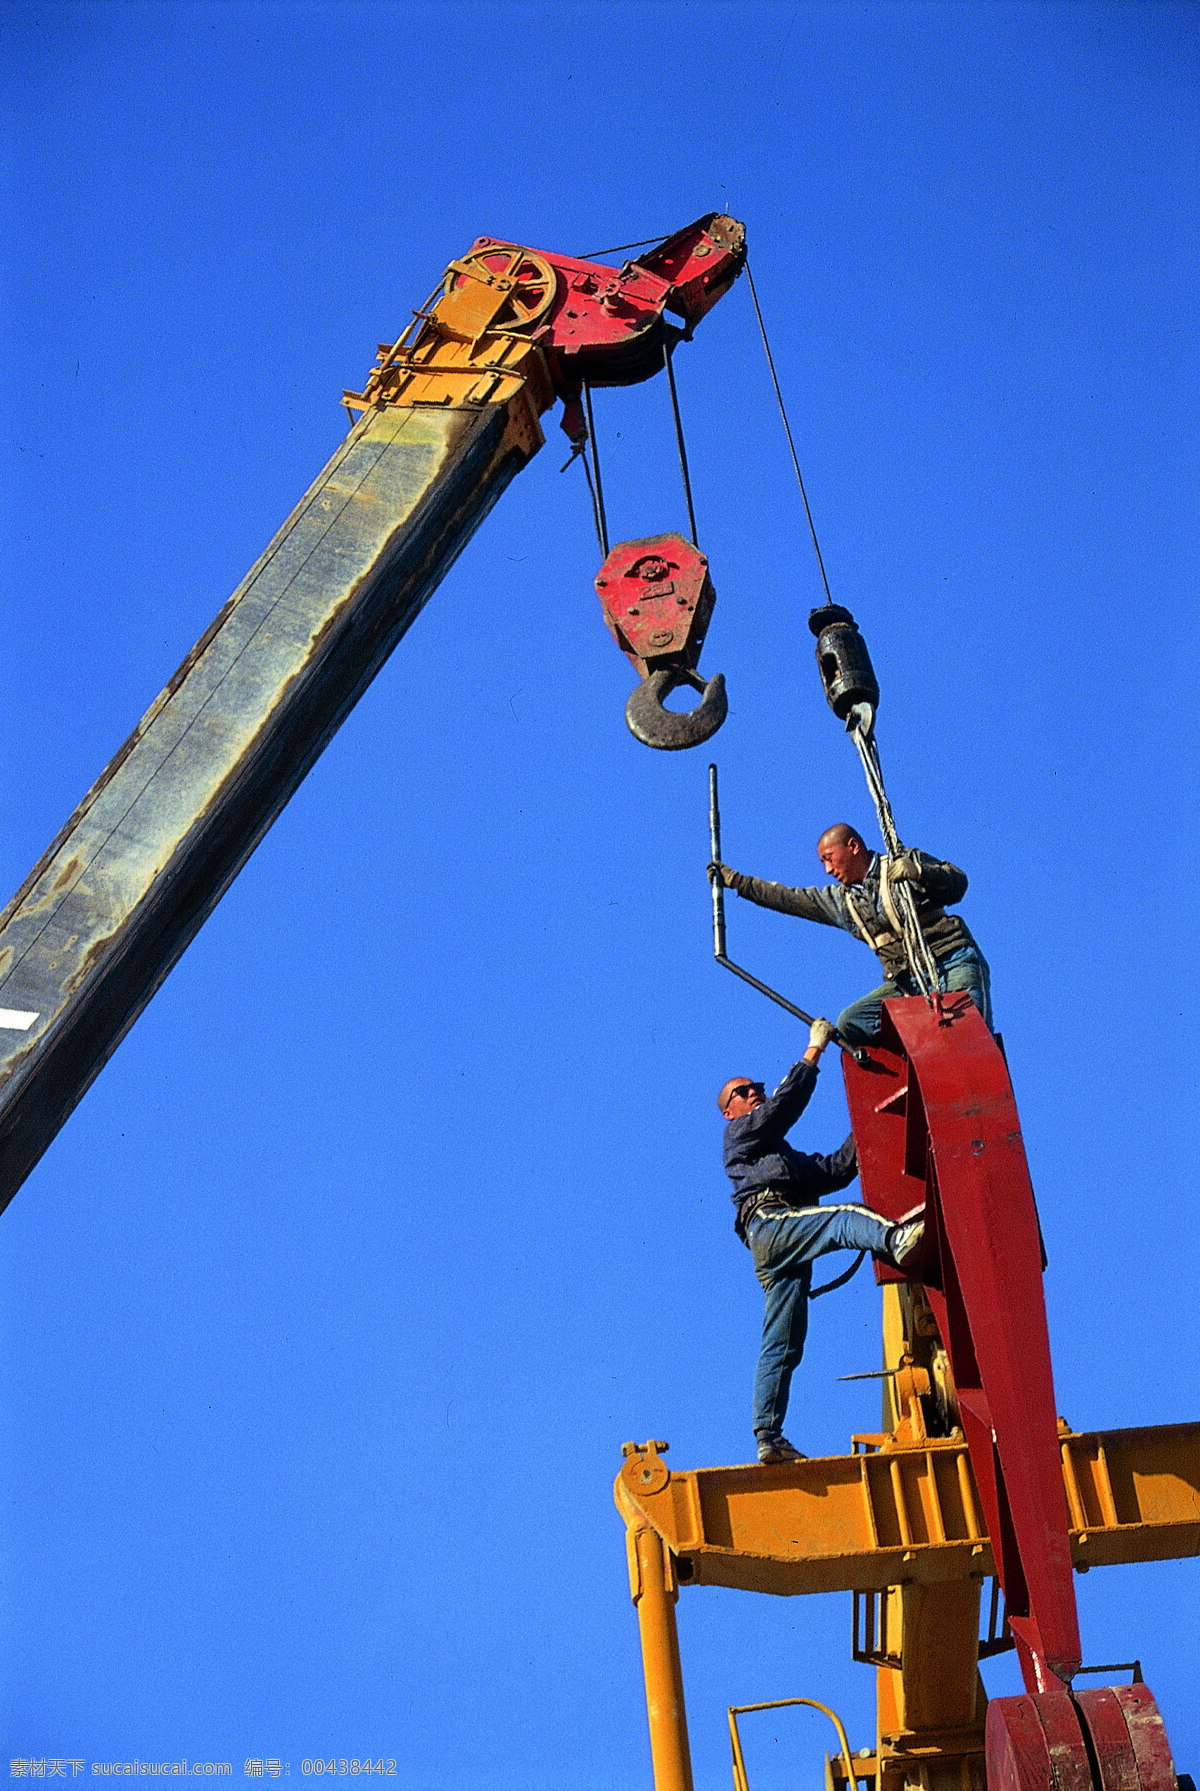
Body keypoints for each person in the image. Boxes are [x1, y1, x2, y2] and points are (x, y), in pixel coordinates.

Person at [721, 1017, 925, 1464]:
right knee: (842, 1219)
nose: (753, 1091)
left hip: (779, 1245)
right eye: (743, 1090)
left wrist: (874, 1113)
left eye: (756, 1085)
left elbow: (836, 1169)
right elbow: (782, 1108)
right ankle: (895, 1241)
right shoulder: (739, 1136)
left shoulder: (785, 1158)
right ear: (729, 1111)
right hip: (772, 1227)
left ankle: (768, 1436)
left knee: (784, 1339)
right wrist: (812, 1051)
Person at [709, 823, 991, 1045]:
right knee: (852, 1022)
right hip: (909, 983)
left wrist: (919, 873)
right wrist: (738, 882)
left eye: (828, 859)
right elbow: (788, 898)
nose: (827, 870)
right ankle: (916, 1059)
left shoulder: (900, 862)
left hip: (951, 961)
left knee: (968, 1037)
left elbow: (958, 884)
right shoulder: (842, 901)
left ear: (853, 846)